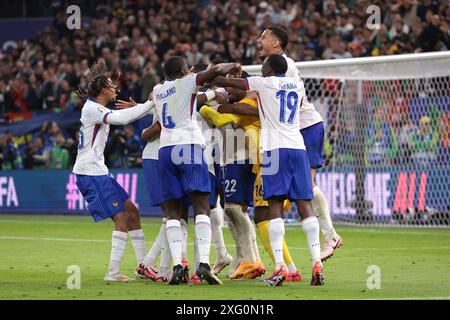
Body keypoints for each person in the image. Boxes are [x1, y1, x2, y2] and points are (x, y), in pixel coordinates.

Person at [210, 54, 325, 286]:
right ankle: (316, 263)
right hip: (298, 148)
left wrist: (222, 71)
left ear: (269, 69)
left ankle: (281, 268)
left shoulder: (264, 82)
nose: (261, 68)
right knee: (305, 204)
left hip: (275, 151)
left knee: (274, 207)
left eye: (264, 65)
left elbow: (225, 82)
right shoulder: (297, 85)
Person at [257, 26, 342, 261]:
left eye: (263, 37)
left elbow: (288, 99)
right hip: (295, 131)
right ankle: (326, 238)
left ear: (276, 43)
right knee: (304, 189)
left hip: (305, 127)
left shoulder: (287, 64)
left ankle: (330, 236)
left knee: (308, 187)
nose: (258, 40)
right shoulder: (278, 66)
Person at [152, 56, 237, 285]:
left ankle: (178, 266)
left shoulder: (158, 89)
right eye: (188, 68)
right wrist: (233, 66)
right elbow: (214, 70)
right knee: (202, 207)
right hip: (188, 146)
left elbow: (191, 99)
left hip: (165, 150)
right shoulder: (188, 82)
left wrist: (211, 94)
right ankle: (203, 265)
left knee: (172, 211)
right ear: (183, 70)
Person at [72, 60, 155, 282]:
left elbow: (127, 115)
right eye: (111, 85)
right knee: (121, 218)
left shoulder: (96, 108)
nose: (115, 89)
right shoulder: (92, 109)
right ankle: (113, 272)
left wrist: (147, 105)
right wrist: (149, 103)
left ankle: (143, 266)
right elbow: (123, 119)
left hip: (100, 171)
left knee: (133, 211)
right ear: (101, 90)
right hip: (90, 173)